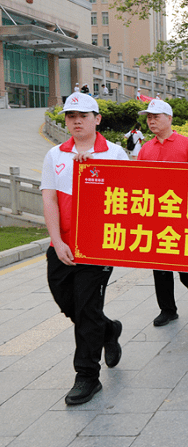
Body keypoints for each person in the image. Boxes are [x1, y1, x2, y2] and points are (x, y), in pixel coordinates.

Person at [40, 92, 129, 405]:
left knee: (87, 307)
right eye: (71, 116)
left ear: (97, 119)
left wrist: (95, 173)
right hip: (62, 245)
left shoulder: (115, 153)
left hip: (98, 247)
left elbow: (128, 198)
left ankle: (87, 376)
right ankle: (108, 330)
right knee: (70, 303)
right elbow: (49, 198)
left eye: (83, 116)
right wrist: (58, 241)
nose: (76, 121)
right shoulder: (55, 155)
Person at [137, 99, 188, 326]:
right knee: (160, 265)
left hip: (181, 213)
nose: (151, 121)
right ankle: (167, 309)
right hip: (155, 214)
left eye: (156, 116)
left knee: (183, 263)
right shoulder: (146, 149)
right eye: (149, 117)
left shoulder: (186, 145)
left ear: (169, 118)